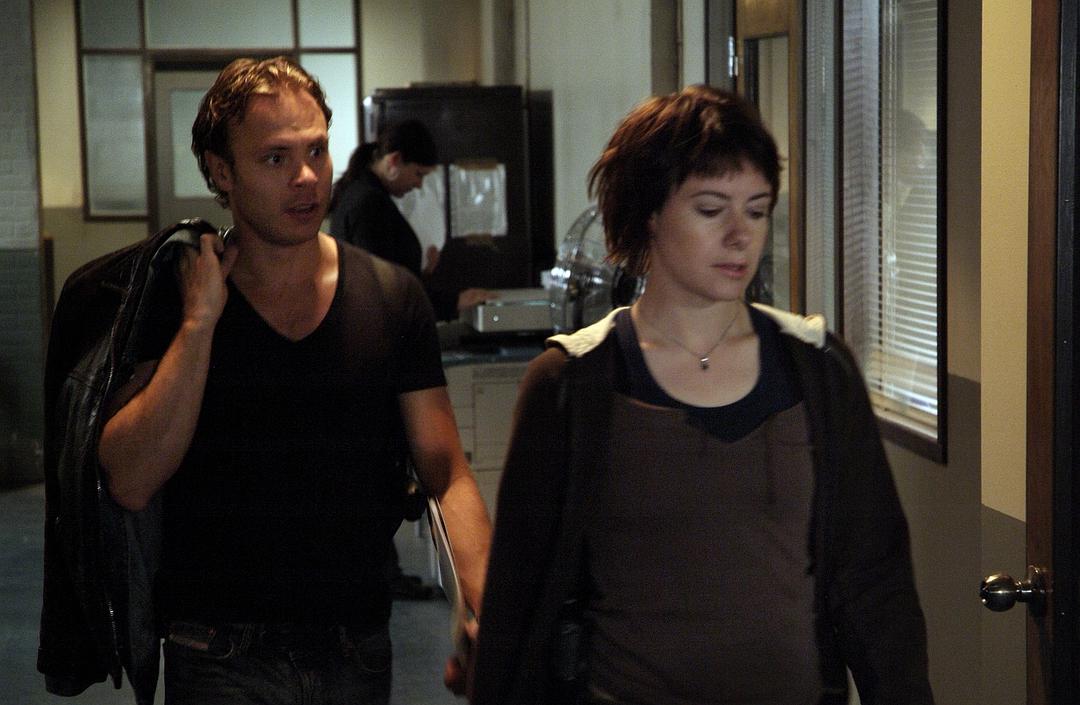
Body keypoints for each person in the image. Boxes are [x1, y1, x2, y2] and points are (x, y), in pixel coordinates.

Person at [471, 85, 933, 705]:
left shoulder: (817, 369)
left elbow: (876, 582)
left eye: (757, 211)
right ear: (649, 214)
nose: (740, 235)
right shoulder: (573, 383)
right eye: (711, 210)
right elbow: (517, 604)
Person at [96, 56, 491, 704]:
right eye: (275, 158)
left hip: (355, 646)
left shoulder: (392, 298)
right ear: (221, 172)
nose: (306, 177)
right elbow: (131, 477)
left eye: (316, 151)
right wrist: (199, 325)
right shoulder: (175, 297)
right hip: (218, 650)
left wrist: (485, 601)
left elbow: (445, 471)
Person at [329, 120, 491, 321]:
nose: (419, 184)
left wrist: (421, 272)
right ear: (395, 160)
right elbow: (382, 287)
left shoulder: (363, 195)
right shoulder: (369, 203)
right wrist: (454, 301)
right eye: (418, 174)